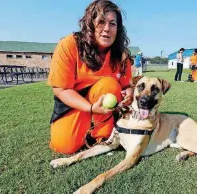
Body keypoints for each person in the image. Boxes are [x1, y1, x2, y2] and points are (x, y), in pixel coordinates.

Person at [47, 0, 133, 154]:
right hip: (73, 104)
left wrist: (129, 92)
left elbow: (127, 85)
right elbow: (62, 90)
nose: (107, 29)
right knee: (64, 146)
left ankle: (102, 136)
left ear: (118, 29)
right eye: (101, 22)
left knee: (109, 84)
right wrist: (91, 108)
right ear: (89, 24)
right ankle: (88, 125)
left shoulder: (121, 55)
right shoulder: (69, 45)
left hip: (102, 106)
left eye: (112, 24)